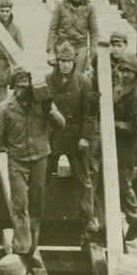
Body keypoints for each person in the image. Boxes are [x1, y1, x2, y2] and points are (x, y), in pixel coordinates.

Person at [0, 68, 65, 275]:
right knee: (20, 205)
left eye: (24, 87)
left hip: (39, 158)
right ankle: (22, 251)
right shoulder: (5, 109)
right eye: (18, 87)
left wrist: (49, 109)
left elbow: (61, 124)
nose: (22, 91)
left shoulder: (42, 102)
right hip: (17, 160)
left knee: (37, 205)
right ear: (13, 87)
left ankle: (32, 249)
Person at [88, 48, 137, 242]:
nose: (122, 75)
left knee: (122, 184)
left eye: (127, 72)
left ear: (135, 74)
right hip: (110, 142)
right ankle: (104, 227)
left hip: (126, 148)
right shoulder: (118, 86)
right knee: (101, 185)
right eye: (121, 70)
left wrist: (110, 123)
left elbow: (136, 128)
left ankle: (135, 217)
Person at [47, 43, 96, 237]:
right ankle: (34, 215)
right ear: (57, 62)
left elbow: (90, 113)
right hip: (53, 135)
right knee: (41, 176)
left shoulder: (84, 82)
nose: (65, 65)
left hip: (76, 136)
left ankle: (89, 217)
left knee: (84, 178)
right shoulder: (48, 80)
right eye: (62, 61)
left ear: (74, 63)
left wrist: (85, 137)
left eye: (68, 62)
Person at [46, 0, 99, 75]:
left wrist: (92, 56)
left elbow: (94, 33)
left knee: (78, 80)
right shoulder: (61, 5)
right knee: (60, 79)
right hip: (62, 46)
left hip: (80, 48)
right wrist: (51, 52)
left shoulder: (90, 8)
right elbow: (53, 28)